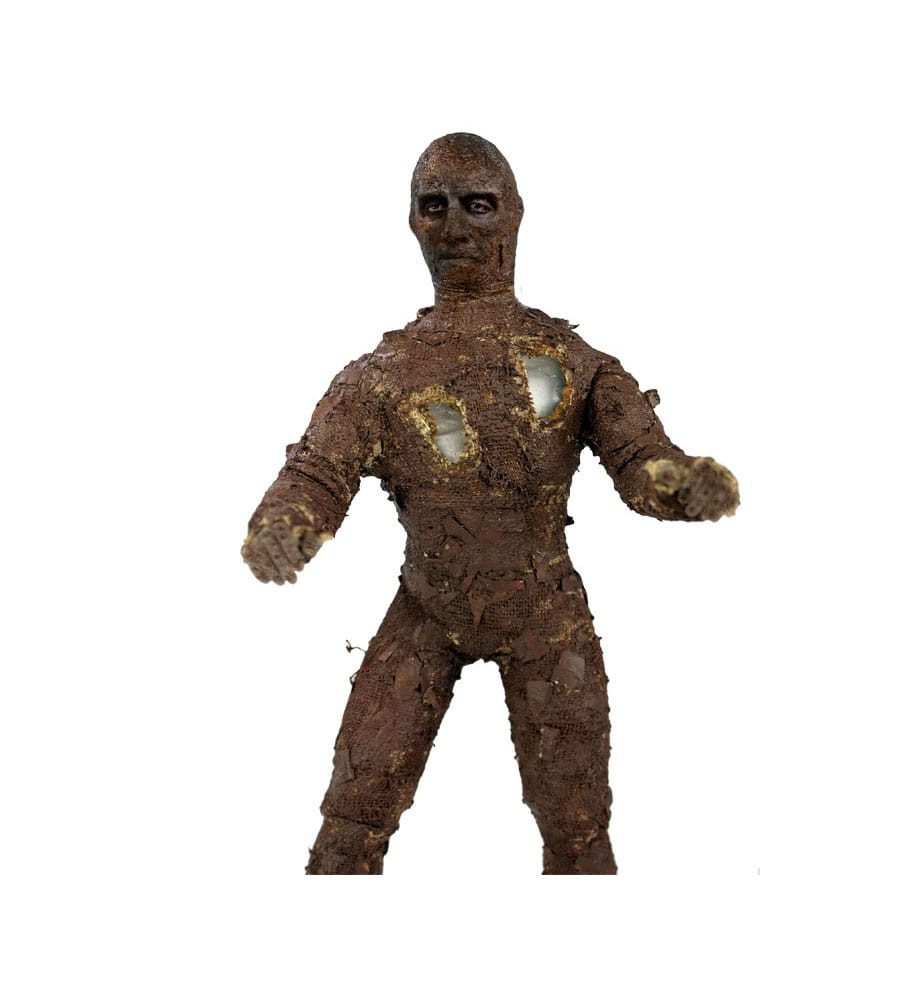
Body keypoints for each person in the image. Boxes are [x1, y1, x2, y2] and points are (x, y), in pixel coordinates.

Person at [242, 133, 739, 874]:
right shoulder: (381, 377)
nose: (455, 228)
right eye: (434, 207)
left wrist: (679, 484)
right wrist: (286, 523)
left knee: (577, 823)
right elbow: (317, 473)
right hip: (427, 608)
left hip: (544, 609)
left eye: (477, 205)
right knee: (355, 808)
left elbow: (640, 458)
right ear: (412, 222)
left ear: (514, 214)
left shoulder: (572, 363)